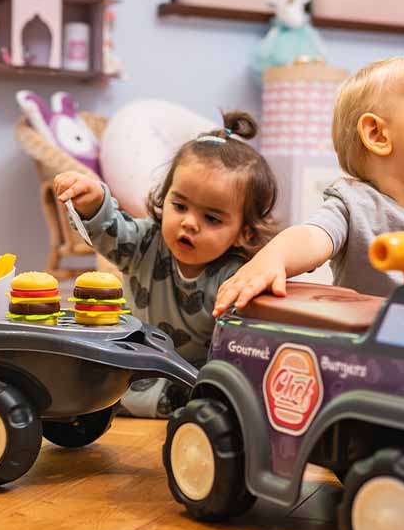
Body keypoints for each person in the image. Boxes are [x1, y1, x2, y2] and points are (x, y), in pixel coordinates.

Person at [53, 110, 277, 417]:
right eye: (180, 205)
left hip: (192, 376)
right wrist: (93, 202)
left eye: (211, 218)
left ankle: (181, 401)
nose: (189, 223)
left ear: (244, 232)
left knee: (224, 389)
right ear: (165, 197)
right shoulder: (146, 241)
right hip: (134, 365)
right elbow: (110, 233)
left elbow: (244, 345)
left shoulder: (235, 275)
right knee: (91, 379)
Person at [213, 55, 404, 316]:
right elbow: (312, 236)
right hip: (373, 347)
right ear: (377, 134)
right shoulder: (354, 203)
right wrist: (273, 258)